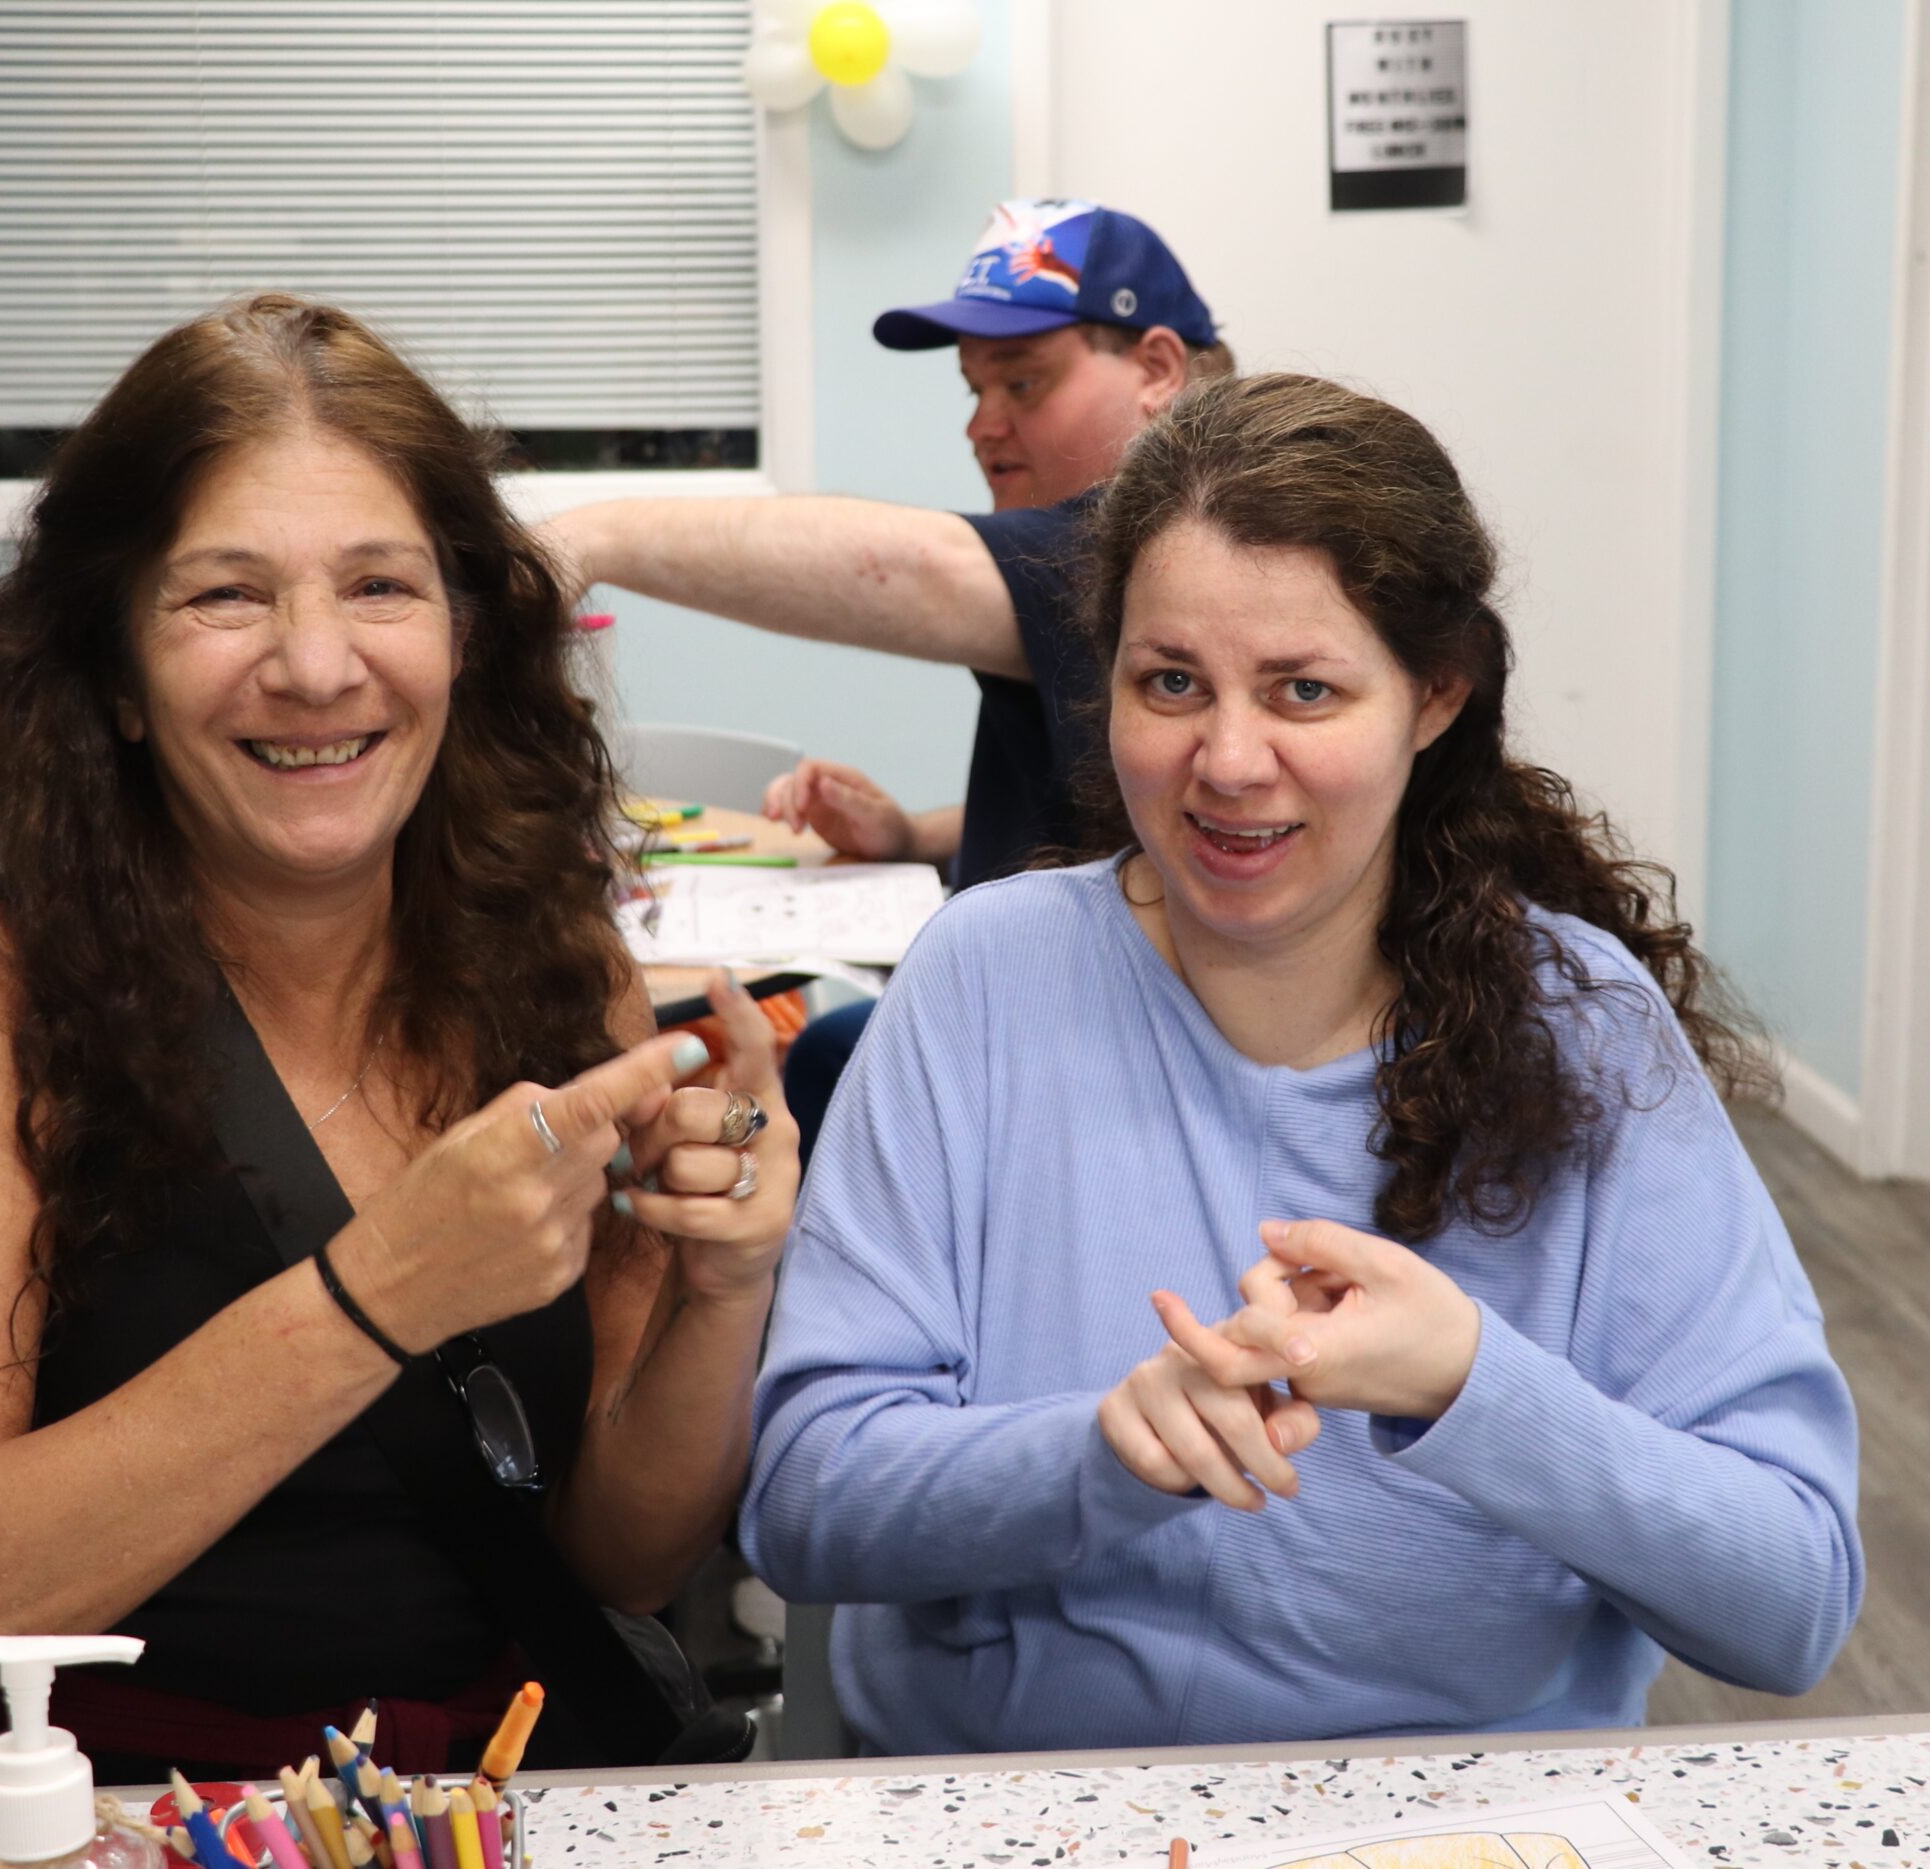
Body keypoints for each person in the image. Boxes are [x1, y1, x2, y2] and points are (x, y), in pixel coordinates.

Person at [0, 295, 802, 1798]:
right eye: (224, 596)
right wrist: (380, 1293)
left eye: (379, 584)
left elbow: (618, 1560)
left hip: (456, 1798)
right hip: (74, 1798)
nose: (314, 666)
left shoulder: (558, 972)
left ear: (465, 634)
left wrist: (726, 1286)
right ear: (110, 672)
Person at [740, 373, 1862, 1756]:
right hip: (1026, 1803)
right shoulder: (985, 976)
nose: (1227, 760)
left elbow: (1791, 1594)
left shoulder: (1587, 1026)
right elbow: (804, 1502)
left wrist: (1472, 1382)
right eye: (1170, 685)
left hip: (1467, 1824)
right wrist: (1104, 1452)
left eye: (1306, 690)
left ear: (1433, 698)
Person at [543, 198, 1231, 1147]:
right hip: (1046, 1013)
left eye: (1024, 383)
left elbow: (921, 567)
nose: (981, 426)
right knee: (834, 1047)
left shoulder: (1166, 543)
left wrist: (592, 538)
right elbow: (1107, 807)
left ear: (1157, 369)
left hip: (1115, 1071)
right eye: (973, 390)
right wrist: (914, 832)